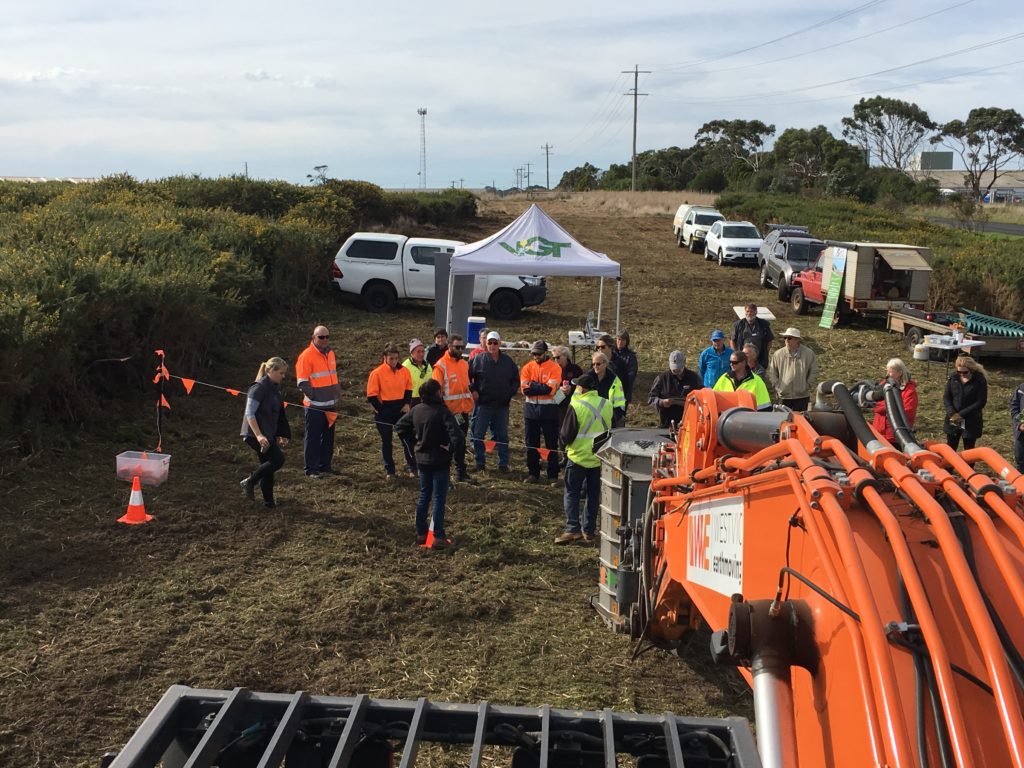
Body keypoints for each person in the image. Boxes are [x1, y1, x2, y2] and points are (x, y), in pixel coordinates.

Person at [395, 380, 465, 550]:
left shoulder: (416, 410)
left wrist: (414, 442)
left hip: (422, 460)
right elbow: (458, 436)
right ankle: (439, 536)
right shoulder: (442, 412)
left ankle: (421, 532)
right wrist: (451, 449)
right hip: (440, 460)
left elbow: (400, 427)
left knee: (424, 495)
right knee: (439, 497)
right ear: (436, 394)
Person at [555, 372, 613, 545]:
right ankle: (589, 531)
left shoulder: (577, 405)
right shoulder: (607, 404)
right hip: (599, 458)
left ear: (581, 388)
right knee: (593, 495)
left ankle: (572, 528)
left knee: (572, 493)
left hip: (578, 457)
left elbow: (566, 434)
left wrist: (562, 448)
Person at [240, 356, 291, 508]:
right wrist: (259, 435)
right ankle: (250, 481)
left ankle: (269, 502)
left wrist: (280, 434)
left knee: (268, 466)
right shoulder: (258, 388)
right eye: (281, 373)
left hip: (267, 433)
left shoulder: (274, 388)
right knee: (277, 460)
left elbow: (276, 414)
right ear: (271, 371)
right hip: (254, 434)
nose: (283, 376)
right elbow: (250, 414)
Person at [469, 330, 519, 472]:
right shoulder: (478, 360)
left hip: (502, 406)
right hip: (484, 405)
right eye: (489, 342)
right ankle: (480, 462)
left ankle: (503, 464)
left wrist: (510, 392)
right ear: (485, 343)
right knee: (478, 435)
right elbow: (467, 376)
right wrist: (473, 389)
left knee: (502, 436)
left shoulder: (508, 362)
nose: (492, 345)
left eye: (495, 342)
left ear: (500, 343)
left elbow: (516, 379)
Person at [295, 325, 341, 478]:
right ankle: (311, 469)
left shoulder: (331, 353)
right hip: (314, 406)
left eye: (327, 337)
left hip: (331, 404)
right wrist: (314, 396)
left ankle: (324, 465)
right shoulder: (306, 356)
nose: (325, 340)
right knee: (313, 438)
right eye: (321, 337)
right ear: (314, 337)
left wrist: (335, 393)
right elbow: (302, 382)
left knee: (328, 438)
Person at [366, 343, 413, 478]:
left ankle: (411, 467)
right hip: (384, 411)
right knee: (387, 441)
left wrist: (406, 404)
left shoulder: (404, 371)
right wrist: (381, 410)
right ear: (385, 358)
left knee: (407, 439)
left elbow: (408, 388)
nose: (394, 361)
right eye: (391, 358)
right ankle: (390, 470)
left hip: (400, 410)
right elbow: (372, 395)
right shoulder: (376, 373)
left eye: (396, 358)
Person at [521, 340, 564, 484]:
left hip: (549, 411)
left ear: (546, 353)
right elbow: (525, 390)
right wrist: (539, 387)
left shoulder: (555, 368)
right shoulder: (527, 367)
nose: (535, 356)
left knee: (551, 444)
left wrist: (533, 385)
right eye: (533, 353)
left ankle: (553, 475)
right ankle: (533, 473)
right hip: (531, 412)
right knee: (531, 444)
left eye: (538, 354)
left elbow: (550, 390)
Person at [431, 334, 473, 482]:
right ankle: (444, 475)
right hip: (448, 414)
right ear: (449, 346)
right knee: (448, 445)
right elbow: (436, 393)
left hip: (463, 411)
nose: (460, 350)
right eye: (457, 347)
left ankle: (461, 472)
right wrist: (443, 413)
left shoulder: (464, 364)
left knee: (461, 443)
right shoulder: (441, 366)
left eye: (462, 347)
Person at [943, 355, 988, 450]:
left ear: (971, 370)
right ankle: (950, 465)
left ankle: (968, 465)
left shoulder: (979, 381)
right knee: (950, 446)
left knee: (969, 448)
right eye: (959, 372)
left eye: (965, 372)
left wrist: (961, 415)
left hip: (971, 420)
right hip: (953, 418)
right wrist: (952, 413)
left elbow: (980, 402)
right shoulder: (953, 378)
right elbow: (947, 397)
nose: (962, 374)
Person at [767, 327, 818, 411]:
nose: (786, 340)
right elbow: (772, 372)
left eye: (789, 338)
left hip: (802, 396)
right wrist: (777, 386)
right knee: (782, 420)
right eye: (785, 338)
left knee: (801, 420)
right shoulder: (778, 354)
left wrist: (807, 385)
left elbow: (814, 371)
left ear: (797, 340)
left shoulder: (809, 353)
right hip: (783, 396)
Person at [648, 350, 703, 428]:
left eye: (679, 368)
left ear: (684, 362)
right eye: (674, 369)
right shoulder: (661, 378)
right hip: (667, 424)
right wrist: (662, 402)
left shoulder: (695, 378)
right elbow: (651, 399)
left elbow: (702, 398)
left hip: (690, 424)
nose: (676, 371)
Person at [871, 358, 918, 442]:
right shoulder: (884, 385)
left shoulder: (909, 391)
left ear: (900, 373)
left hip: (895, 435)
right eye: (887, 371)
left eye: (890, 371)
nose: (887, 374)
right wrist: (889, 408)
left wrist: (886, 409)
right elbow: (876, 403)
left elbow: (908, 412)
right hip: (878, 431)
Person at [732, 303, 774, 371]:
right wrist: (737, 354)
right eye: (747, 311)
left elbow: (770, 341)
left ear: (756, 312)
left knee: (759, 377)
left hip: (760, 359)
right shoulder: (738, 325)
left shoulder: (764, 324)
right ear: (745, 312)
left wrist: (765, 352)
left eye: (751, 311)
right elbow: (732, 341)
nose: (749, 313)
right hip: (743, 358)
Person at [590, 351, 627, 427]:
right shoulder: (587, 378)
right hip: (590, 417)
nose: (595, 366)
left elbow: (619, 402)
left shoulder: (615, 380)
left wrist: (615, 417)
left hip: (609, 417)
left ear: (605, 364)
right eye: (593, 364)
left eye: (598, 364)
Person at [552, 345, 583, 423]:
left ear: (565, 356)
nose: (556, 360)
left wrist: (571, 388)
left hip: (574, 404)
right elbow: (549, 386)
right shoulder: (552, 370)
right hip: (557, 404)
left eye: (558, 357)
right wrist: (559, 389)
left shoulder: (576, 369)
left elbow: (582, 385)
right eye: (554, 358)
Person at [612, 331, 639, 411]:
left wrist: (620, 384)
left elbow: (632, 374)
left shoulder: (631, 356)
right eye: (619, 339)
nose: (620, 342)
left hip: (623, 391)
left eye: (623, 340)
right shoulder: (611, 353)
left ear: (627, 342)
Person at [403, 339, 433, 407]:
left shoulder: (428, 365)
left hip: (427, 399)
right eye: (418, 352)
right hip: (411, 401)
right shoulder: (405, 367)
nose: (421, 354)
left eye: (423, 351)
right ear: (412, 353)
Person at [1011, 380, 1024, 473]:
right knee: (1020, 460)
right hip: (1021, 434)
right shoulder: (1021, 388)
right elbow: (1015, 407)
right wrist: (1020, 423)